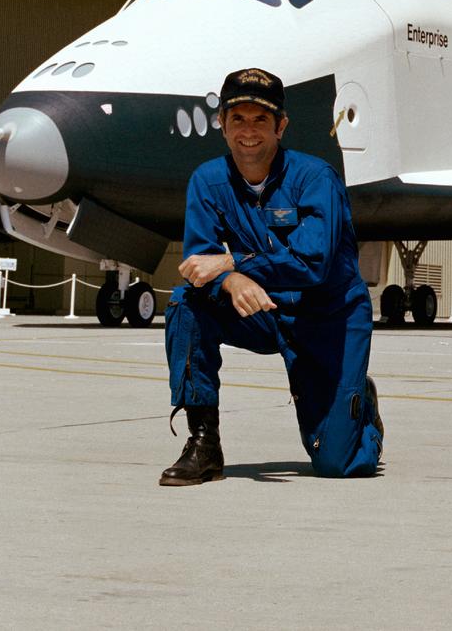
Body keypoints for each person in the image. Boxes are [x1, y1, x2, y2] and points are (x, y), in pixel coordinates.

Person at [160, 68, 382, 486]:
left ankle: (361, 411)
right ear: (221, 124)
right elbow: (198, 264)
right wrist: (229, 281)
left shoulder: (316, 179)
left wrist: (232, 265)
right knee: (186, 303)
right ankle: (204, 443)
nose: (248, 131)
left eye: (261, 119)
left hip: (328, 318)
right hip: (263, 311)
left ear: (281, 126)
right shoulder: (207, 181)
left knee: (339, 463)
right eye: (237, 118)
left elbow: (312, 263)